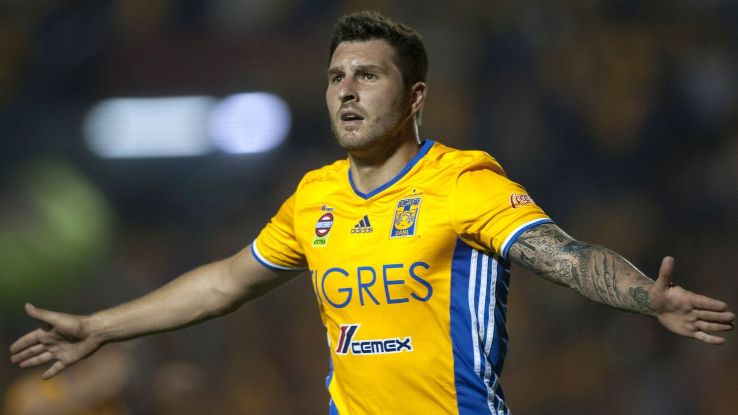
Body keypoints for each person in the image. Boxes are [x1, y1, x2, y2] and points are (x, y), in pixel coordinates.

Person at [9, 10, 735, 415]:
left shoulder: (462, 181)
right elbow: (225, 282)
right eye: (335, 77)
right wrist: (100, 327)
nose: (347, 91)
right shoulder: (314, 196)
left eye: (367, 75)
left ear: (414, 97)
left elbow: (565, 255)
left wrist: (645, 296)